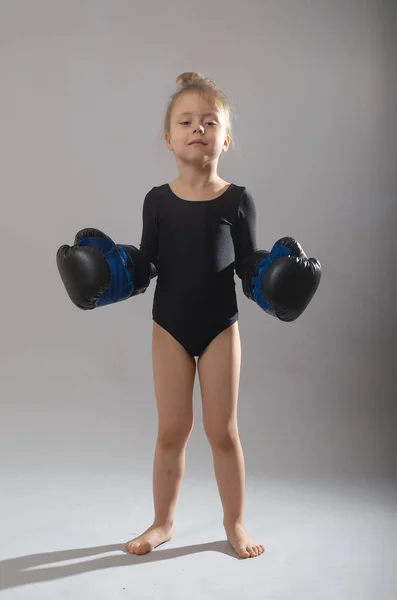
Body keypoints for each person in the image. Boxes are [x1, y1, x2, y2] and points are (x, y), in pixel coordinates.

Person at [124, 72, 265, 559]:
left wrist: (270, 275)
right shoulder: (157, 201)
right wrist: (117, 269)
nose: (197, 129)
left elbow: (248, 266)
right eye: (185, 121)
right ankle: (162, 523)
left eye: (210, 122)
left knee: (223, 431)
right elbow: (148, 261)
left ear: (226, 138)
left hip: (221, 326)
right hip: (169, 328)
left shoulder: (237, 199)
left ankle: (236, 523)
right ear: (169, 137)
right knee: (171, 430)